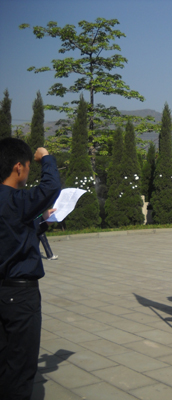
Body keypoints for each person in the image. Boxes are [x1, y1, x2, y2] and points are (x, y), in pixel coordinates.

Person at [0, 138, 61, 399]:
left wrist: (42, 221)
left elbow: (13, 235)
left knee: (5, 363)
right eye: (27, 166)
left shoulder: (8, 202)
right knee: (21, 368)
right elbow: (51, 185)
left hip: (2, 291)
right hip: (20, 296)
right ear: (18, 168)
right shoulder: (16, 199)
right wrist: (46, 157)